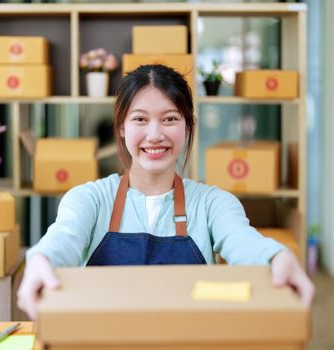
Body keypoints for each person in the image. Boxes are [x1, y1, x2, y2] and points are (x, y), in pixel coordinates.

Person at [17, 64, 315, 320]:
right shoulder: (90, 200)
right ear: (121, 127)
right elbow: (63, 239)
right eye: (140, 119)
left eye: (170, 118)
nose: (155, 134)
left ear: (187, 127)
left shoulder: (213, 204)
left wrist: (278, 258)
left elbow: (245, 243)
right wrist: (41, 261)